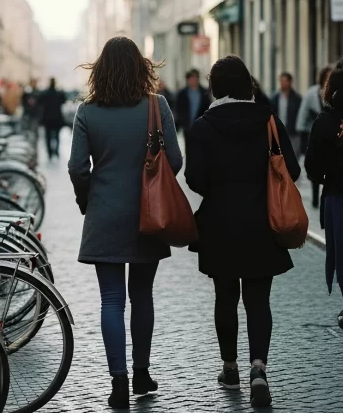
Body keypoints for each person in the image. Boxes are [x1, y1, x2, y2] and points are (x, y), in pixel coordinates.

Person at [68, 36, 181, 409]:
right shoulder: (156, 105)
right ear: (140, 67)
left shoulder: (87, 111)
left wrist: (88, 199)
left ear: (100, 70)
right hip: (147, 213)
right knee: (142, 296)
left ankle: (118, 381)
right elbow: (176, 161)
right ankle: (142, 373)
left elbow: (76, 168)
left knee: (111, 300)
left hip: (104, 212)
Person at [184, 56, 297, 408]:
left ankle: (230, 367)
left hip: (219, 224)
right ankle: (259, 368)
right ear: (248, 84)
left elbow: (195, 179)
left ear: (214, 87)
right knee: (258, 301)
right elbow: (291, 168)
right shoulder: (268, 120)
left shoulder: (202, 126)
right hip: (263, 222)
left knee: (225, 297)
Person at [304, 63, 343, 332]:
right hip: (336, 195)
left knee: (341, 253)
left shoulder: (325, 121)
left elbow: (312, 169)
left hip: (337, 195)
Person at [298, 66, 332, 210]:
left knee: (327, 163)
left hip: (329, 134)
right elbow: (303, 112)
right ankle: (315, 192)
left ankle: (325, 191)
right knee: (316, 163)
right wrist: (300, 130)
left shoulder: (334, 93)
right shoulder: (311, 93)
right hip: (312, 132)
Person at [173, 68, 212, 151]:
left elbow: (208, 108)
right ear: (188, 79)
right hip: (187, 127)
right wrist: (181, 122)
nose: (193, 80)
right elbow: (178, 109)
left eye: (195, 77)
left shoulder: (204, 93)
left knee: (201, 149)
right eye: (191, 78)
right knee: (189, 149)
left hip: (201, 126)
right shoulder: (182, 93)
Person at [269, 73, 302, 159]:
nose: (283, 83)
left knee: (293, 156)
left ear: (290, 82)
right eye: (281, 81)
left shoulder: (297, 99)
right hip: (278, 131)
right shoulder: (274, 98)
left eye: (285, 81)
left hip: (293, 132)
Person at [38, 78, 67, 162]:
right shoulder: (59, 93)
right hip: (57, 118)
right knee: (57, 136)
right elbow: (64, 100)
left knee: (48, 137)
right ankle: (56, 152)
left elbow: (40, 101)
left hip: (47, 118)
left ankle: (50, 153)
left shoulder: (45, 93)